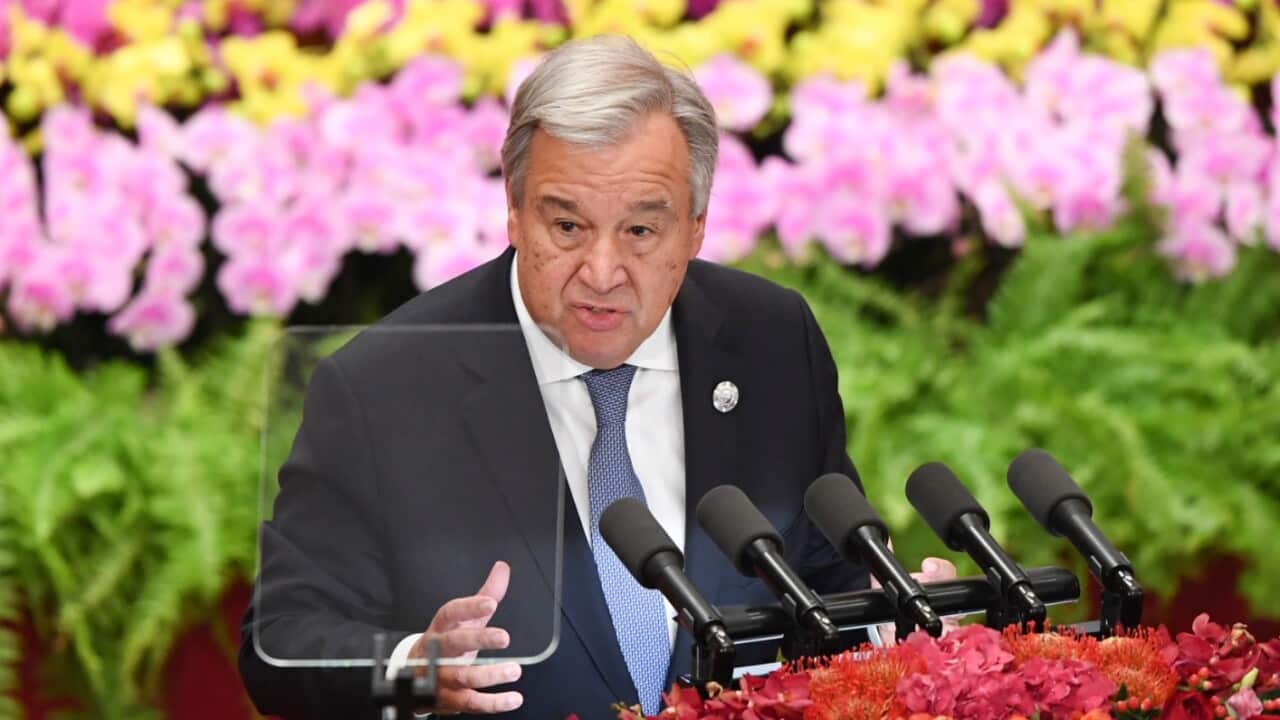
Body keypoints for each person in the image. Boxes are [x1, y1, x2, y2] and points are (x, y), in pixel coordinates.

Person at [238, 34, 954, 720]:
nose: (603, 273)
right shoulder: (382, 388)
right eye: (568, 227)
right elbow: (283, 642)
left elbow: (824, 582)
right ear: (514, 213)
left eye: (642, 231)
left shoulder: (770, 343)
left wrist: (884, 620)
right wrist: (414, 668)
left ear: (696, 228)